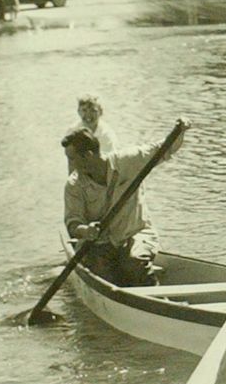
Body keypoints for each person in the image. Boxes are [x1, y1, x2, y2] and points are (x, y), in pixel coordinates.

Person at [62, 121, 188, 287]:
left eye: (71, 158)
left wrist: (181, 130)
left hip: (135, 234)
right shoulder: (74, 185)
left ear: (88, 156)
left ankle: (158, 298)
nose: (69, 163)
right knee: (105, 276)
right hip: (98, 244)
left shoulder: (127, 161)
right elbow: (72, 223)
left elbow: (162, 149)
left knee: (134, 263)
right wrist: (86, 231)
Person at [69, 94, 117, 172]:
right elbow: (71, 161)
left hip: (103, 173)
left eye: (93, 110)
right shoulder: (72, 130)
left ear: (101, 112)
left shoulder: (106, 135)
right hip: (80, 172)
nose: (88, 115)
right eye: (84, 110)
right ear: (78, 111)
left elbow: (109, 165)